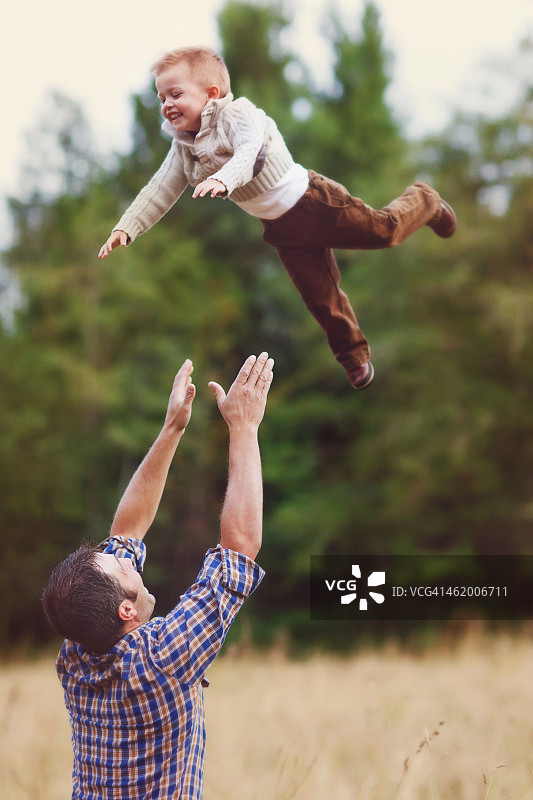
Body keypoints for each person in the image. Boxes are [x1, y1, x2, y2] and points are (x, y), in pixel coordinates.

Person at [98, 46, 457, 390]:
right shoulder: (183, 147)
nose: (166, 105)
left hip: (315, 202)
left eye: (175, 95)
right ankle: (354, 357)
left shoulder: (239, 114)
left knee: (385, 231)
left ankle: (425, 200)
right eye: (161, 99)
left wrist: (224, 179)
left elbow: (250, 150)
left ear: (211, 92)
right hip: (283, 230)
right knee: (320, 297)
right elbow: (159, 189)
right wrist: (126, 227)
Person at [42, 351, 274, 800]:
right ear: (126, 610)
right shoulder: (159, 660)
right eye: (123, 566)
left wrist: (172, 429)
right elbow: (240, 546)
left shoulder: (75, 656)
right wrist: (244, 428)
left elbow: (126, 530)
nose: (126, 556)